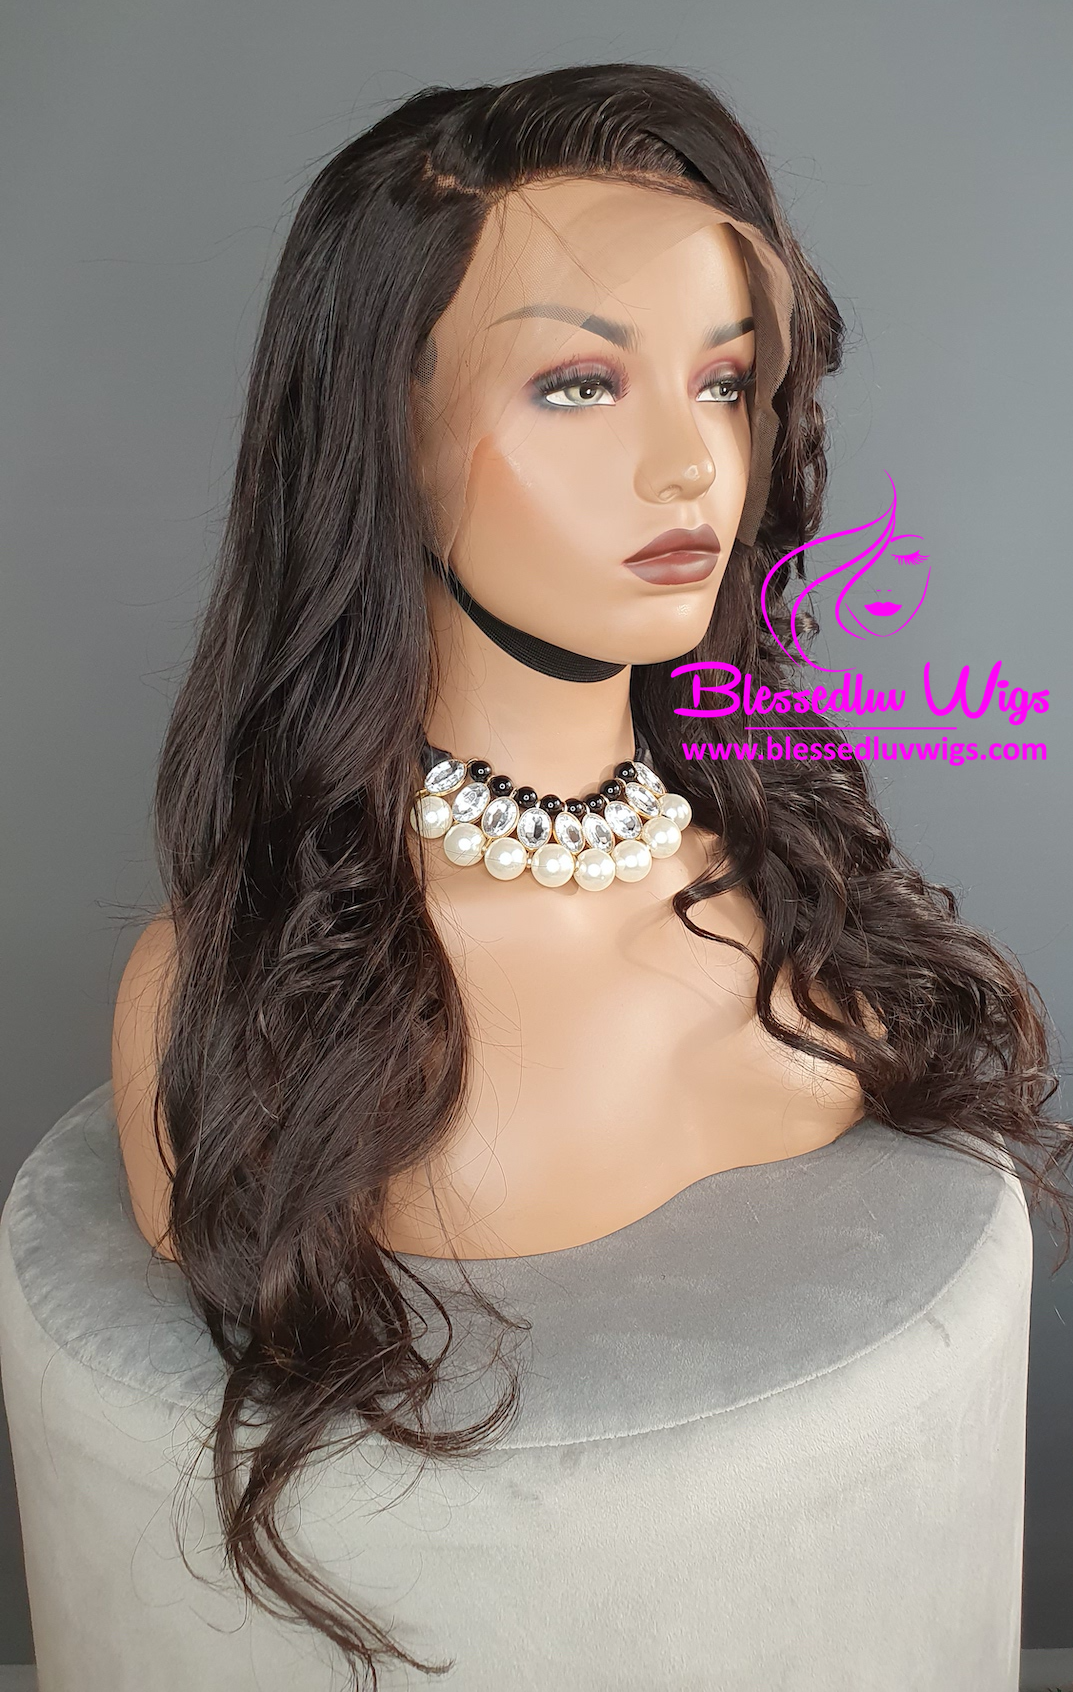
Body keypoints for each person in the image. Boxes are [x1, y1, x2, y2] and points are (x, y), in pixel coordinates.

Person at [110, 62, 1071, 1685]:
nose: (691, 467)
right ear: (383, 437)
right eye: (577, 385)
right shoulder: (231, 1000)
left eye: (724, 382)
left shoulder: (792, 886)